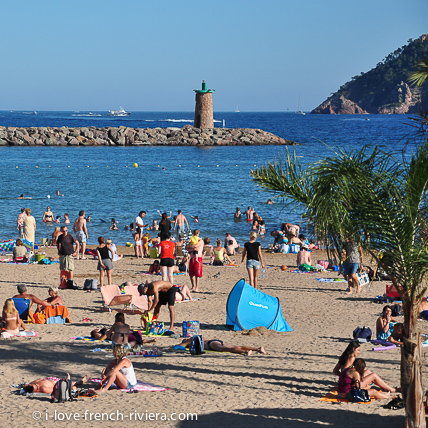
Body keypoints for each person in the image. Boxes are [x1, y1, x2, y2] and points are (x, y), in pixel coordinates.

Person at [178, 337, 266, 356]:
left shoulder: (189, 340)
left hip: (211, 344)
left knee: (225, 349)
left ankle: (244, 352)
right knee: (236, 346)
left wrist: (181, 344)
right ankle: (257, 349)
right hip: (215, 340)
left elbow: (178, 346)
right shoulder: (197, 337)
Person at [23, 374, 89, 394]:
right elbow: (57, 389)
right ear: (36, 390)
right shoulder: (44, 389)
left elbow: (25, 386)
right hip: (55, 383)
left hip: (49, 379)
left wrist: (30, 384)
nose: (36, 384)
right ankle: (78, 383)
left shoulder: (30, 385)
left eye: (35, 384)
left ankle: (71, 382)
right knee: (71, 383)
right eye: (36, 386)